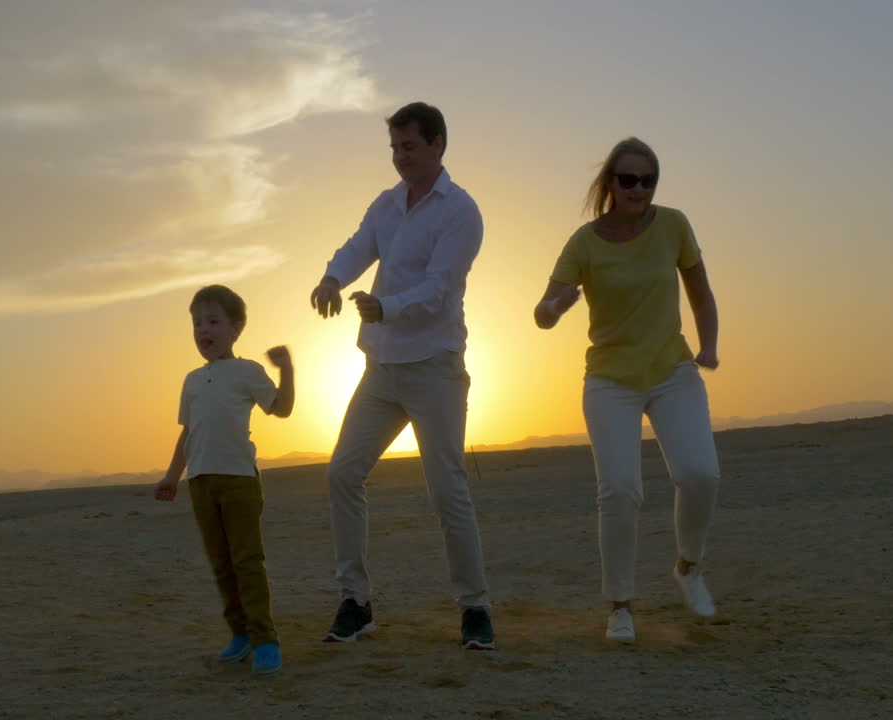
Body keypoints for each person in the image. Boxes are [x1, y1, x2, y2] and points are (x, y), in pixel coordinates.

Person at [309, 101, 493, 650]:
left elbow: (440, 288)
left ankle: (475, 607)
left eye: (409, 146)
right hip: (381, 367)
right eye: (394, 147)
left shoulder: (461, 212)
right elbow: (358, 246)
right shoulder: (387, 204)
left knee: (447, 489)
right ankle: (356, 601)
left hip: (434, 368)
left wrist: (385, 307)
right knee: (343, 473)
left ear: (438, 145)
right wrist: (331, 278)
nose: (400, 157)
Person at [534, 137, 722, 643]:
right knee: (619, 489)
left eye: (648, 180)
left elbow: (701, 293)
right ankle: (620, 606)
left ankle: (688, 567)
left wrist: (709, 346)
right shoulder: (584, 242)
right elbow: (542, 313)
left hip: (672, 371)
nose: (639, 189)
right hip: (610, 381)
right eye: (629, 180)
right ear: (610, 184)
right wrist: (555, 308)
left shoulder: (674, 225)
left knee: (700, 473)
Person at [153, 284, 294, 674]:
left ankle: (265, 639)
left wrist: (287, 370)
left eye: (213, 321)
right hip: (200, 481)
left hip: (239, 480)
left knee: (247, 561)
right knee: (221, 563)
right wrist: (171, 477)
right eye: (197, 323)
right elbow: (188, 433)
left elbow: (281, 408)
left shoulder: (248, 371)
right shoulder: (191, 380)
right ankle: (240, 634)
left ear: (236, 327)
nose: (203, 330)